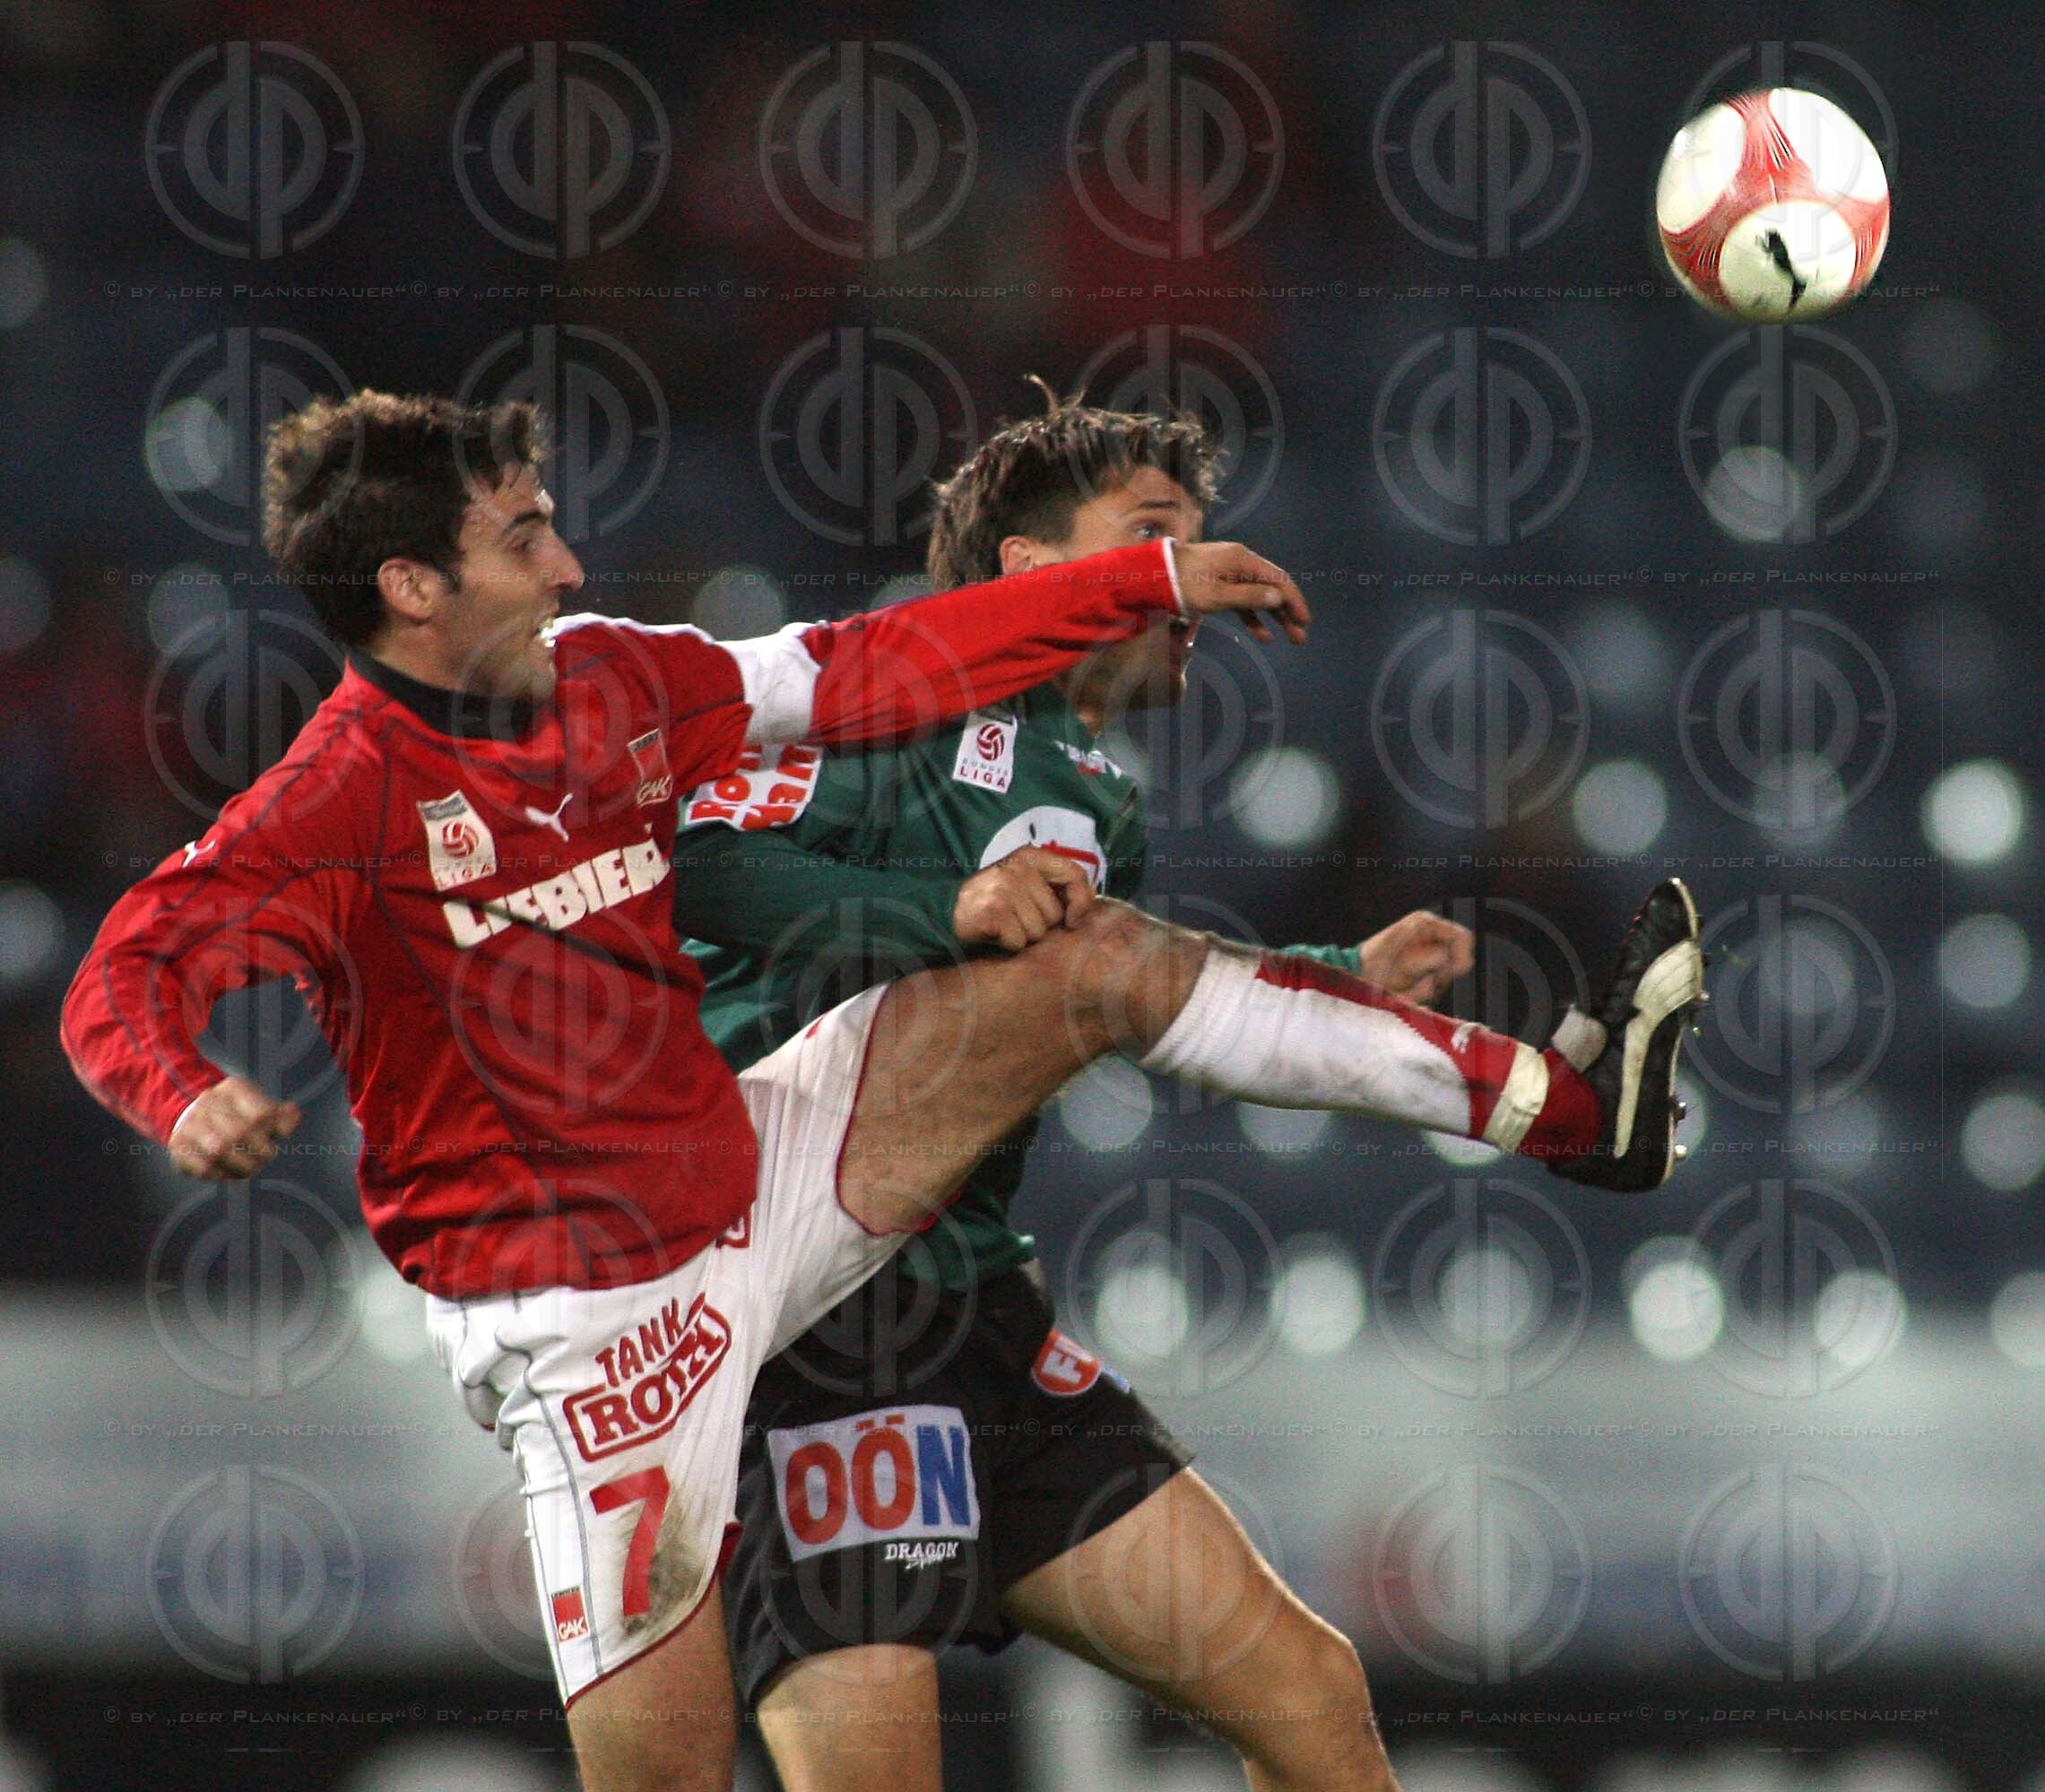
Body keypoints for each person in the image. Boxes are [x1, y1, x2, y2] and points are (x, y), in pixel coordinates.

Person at [64, 391, 1701, 1792]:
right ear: (412, 587)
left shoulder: (632, 681)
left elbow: (865, 662)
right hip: (617, 1325)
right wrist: (178, 1092)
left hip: (820, 1212)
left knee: (1311, 1692)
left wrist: (1150, 611)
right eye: (522, 541)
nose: (566, 564)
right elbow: (125, 976)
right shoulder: (335, 803)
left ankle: (1572, 1111)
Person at [667, 388, 1670, 1790]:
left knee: (1310, 1700)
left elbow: (1107, 998)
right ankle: (1561, 1109)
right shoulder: (878, 693)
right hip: (813, 1315)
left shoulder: (1100, 795)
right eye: (1152, 539)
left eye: (1196, 540)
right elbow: (697, 867)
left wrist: (1330, 967)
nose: (1192, 582)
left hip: (977, 1312)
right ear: (1030, 575)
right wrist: (947, 907)